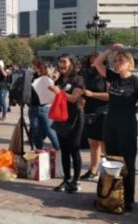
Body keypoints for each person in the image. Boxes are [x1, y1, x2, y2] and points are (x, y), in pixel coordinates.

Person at [92, 43, 138, 212]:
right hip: (111, 124)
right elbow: (97, 64)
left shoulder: (136, 81)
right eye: (115, 61)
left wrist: (128, 113)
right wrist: (111, 50)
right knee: (111, 160)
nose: (117, 63)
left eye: (121, 60)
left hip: (127, 126)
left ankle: (128, 198)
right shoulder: (113, 78)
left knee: (127, 163)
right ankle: (110, 194)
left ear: (130, 63)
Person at [48, 54, 85, 193]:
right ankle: (66, 179)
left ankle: (76, 180)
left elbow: (74, 98)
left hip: (74, 117)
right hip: (60, 117)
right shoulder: (60, 80)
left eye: (64, 62)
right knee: (64, 150)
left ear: (72, 64)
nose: (60, 64)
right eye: (59, 62)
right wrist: (52, 86)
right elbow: (56, 98)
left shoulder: (78, 79)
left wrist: (59, 92)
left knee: (74, 149)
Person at [79, 53, 109, 181]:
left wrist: (92, 94)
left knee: (104, 144)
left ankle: (109, 171)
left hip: (104, 112)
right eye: (91, 61)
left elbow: (110, 96)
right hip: (89, 112)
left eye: (96, 61)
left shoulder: (107, 75)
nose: (93, 63)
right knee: (93, 143)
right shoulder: (86, 74)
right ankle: (93, 170)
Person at [29, 59, 60, 150]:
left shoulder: (47, 77)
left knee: (50, 131)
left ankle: (60, 152)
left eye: (33, 66)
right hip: (33, 107)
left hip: (45, 108)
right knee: (36, 132)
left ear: (38, 67)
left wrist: (53, 79)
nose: (32, 68)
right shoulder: (33, 77)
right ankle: (39, 152)